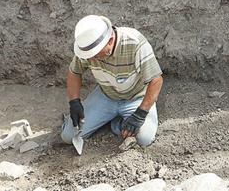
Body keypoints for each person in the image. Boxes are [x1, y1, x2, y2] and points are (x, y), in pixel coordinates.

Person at [60, 15, 164, 148]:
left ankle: (115, 122)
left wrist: (140, 114)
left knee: (144, 139)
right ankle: (112, 119)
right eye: (88, 56)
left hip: (136, 97)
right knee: (69, 136)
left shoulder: (135, 43)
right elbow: (74, 72)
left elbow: (156, 80)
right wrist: (74, 102)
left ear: (110, 41)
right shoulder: (88, 48)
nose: (91, 60)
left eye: (95, 55)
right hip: (106, 96)